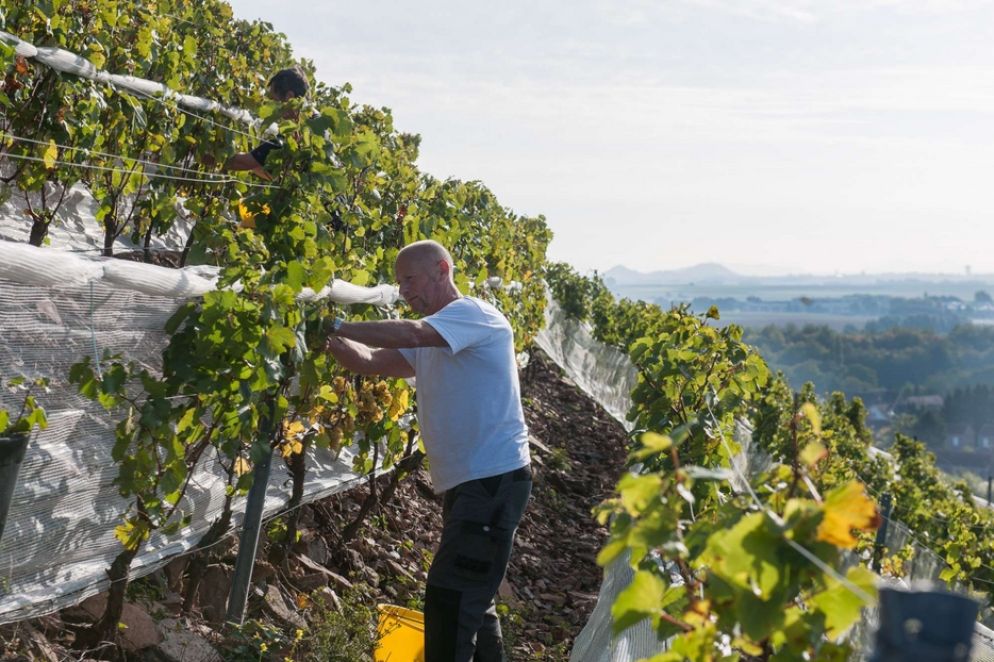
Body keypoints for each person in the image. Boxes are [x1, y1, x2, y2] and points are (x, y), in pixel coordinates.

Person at [325, 240, 532, 661]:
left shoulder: (473, 315)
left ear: (442, 270)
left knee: (449, 603)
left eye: (410, 279)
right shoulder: (435, 338)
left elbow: (412, 332)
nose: (403, 291)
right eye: (399, 283)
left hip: (491, 480)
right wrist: (324, 338)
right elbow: (371, 361)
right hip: (471, 483)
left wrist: (338, 323)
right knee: (472, 602)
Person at [224, 67, 308, 181]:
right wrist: (253, 163)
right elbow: (274, 175)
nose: (272, 107)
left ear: (289, 97)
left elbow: (242, 163)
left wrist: (206, 157)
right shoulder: (313, 121)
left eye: (274, 100)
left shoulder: (287, 139)